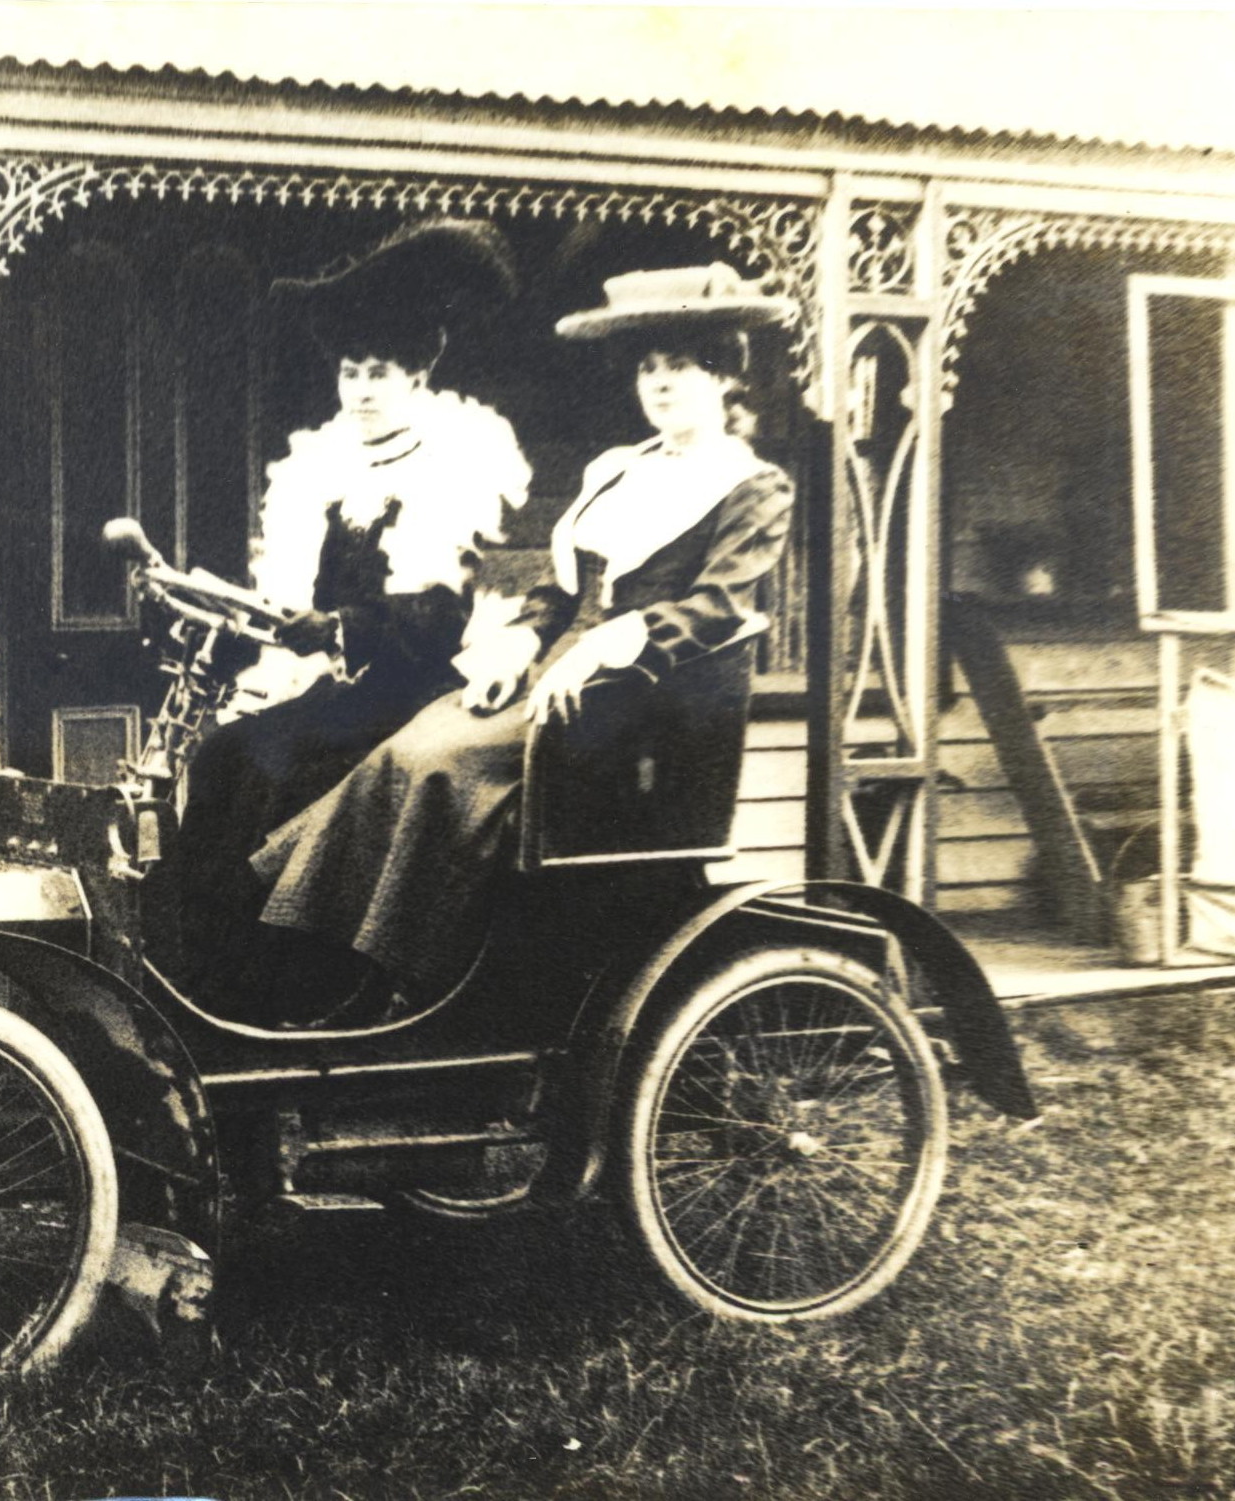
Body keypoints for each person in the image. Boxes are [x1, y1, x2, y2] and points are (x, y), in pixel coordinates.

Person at [248, 263, 798, 1002]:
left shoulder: (750, 484)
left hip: (639, 699)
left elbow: (721, 607)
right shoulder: (618, 469)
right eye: (649, 368)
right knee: (401, 750)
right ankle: (346, 966)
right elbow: (560, 591)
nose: (661, 383)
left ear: (724, 377)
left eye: (683, 367)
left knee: (441, 762)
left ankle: (413, 974)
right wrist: (520, 643)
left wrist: (616, 639)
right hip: (555, 676)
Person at [156, 220, 531, 1016]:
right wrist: (268, 622)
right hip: (335, 680)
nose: (360, 388)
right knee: (221, 754)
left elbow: (437, 617)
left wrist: (334, 630)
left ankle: (297, 992)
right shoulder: (320, 462)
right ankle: (200, 977)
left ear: (418, 373)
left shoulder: (456, 457)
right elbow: (292, 584)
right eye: (350, 371)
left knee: (275, 769)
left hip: (417, 686)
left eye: (380, 372)